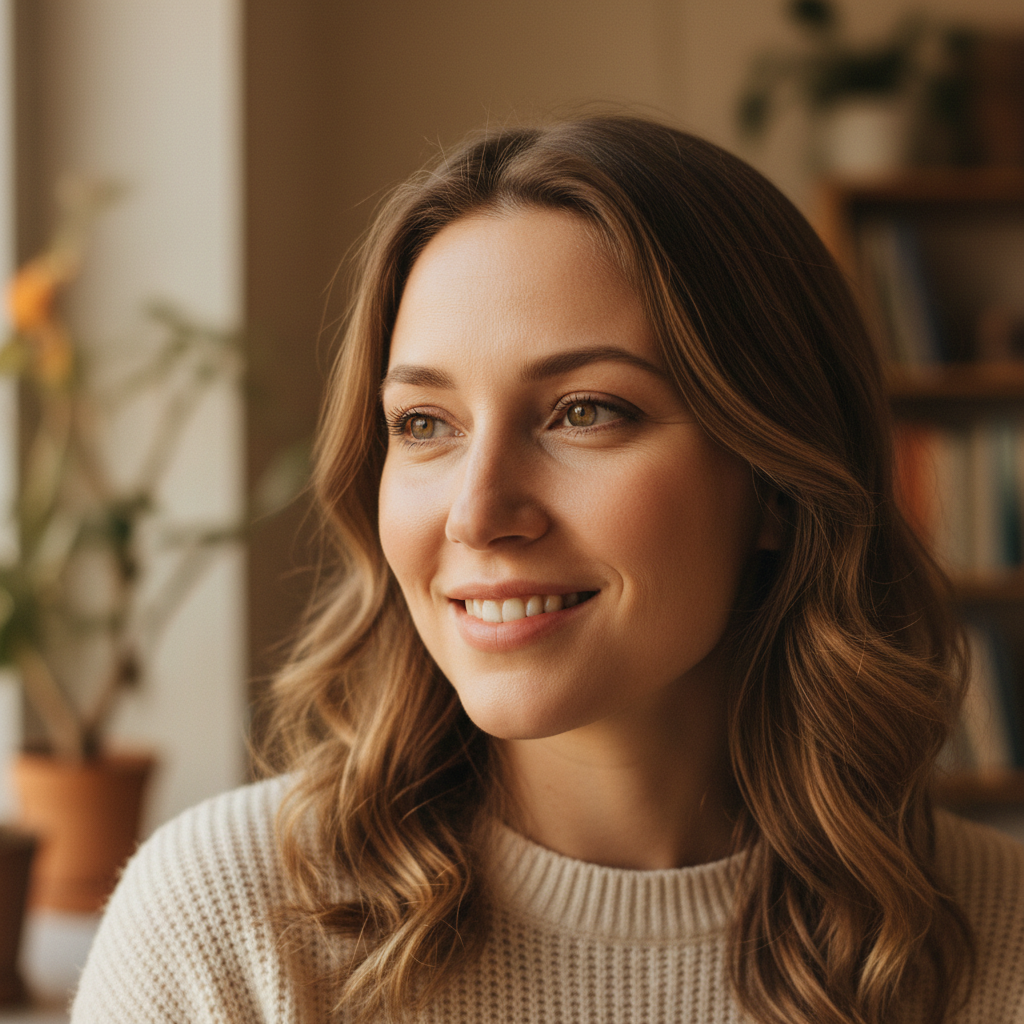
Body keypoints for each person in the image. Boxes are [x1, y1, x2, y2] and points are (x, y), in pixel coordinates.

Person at [71, 114, 1024, 1024]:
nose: (477, 513)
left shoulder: (1003, 941)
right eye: (424, 424)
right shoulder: (224, 927)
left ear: (777, 482)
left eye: (585, 411)